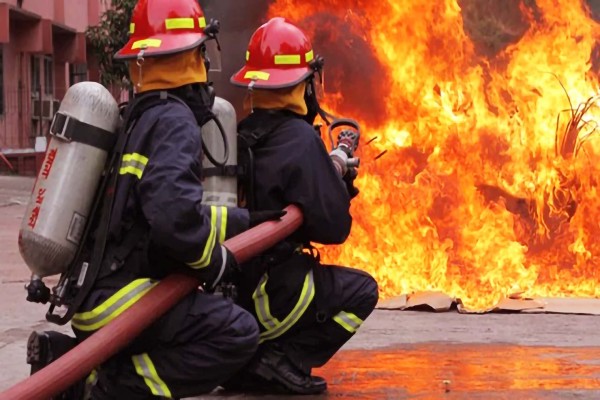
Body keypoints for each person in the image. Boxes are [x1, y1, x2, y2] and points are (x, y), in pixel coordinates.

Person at [26, 1, 269, 398]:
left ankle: (67, 359)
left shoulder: (138, 116)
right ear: (193, 55)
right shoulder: (174, 120)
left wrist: (249, 221)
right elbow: (173, 217)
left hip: (91, 297)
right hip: (123, 304)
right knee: (236, 332)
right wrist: (215, 261)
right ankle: (100, 386)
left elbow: (164, 209)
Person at [227, 17, 379, 395]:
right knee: (362, 291)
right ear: (304, 84)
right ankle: (284, 358)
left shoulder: (240, 134)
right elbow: (334, 229)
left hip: (233, 299)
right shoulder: (299, 139)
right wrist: (339, 183)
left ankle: (248, 362)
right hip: (274, 296)